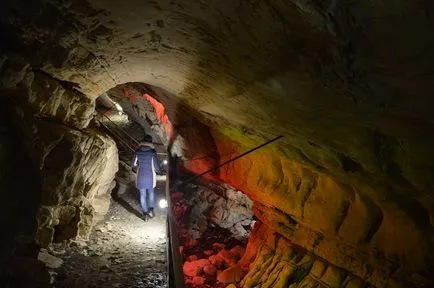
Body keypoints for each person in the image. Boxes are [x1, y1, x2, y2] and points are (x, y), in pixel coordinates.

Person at [131, 135, 162, 221]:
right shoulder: (152, 153)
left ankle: (145, 214)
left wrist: (138, 164)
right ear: (150, 143)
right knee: (151, 193)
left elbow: (132, 164)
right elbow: (156, 167)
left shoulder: (137, 152)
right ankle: (151, 211)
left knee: (142, 195)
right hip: (150, 177)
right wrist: (160, 171)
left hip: (140, 176)